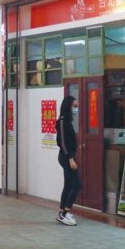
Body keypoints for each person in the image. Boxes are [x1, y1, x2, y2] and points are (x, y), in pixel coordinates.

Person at [56, 96, 81, 226]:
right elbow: (62, 142)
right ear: (68, 106)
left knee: (68, 185)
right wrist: (70, 158)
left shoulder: (68, 121)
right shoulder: (62, 121)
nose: (76, 109)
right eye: (74, 106)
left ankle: (62, 212)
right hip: (66, 157)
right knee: (77, 185)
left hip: (69, 156)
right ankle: (65, 214)